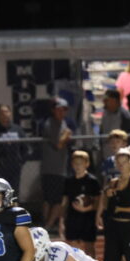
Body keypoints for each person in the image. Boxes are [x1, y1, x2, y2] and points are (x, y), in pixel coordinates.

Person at [40, 98, 75, 233]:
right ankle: (46, 225)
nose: (61, 112)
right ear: (53, 110)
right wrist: (66, 134)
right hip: (50, 168)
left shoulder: (65, 123)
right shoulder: (50, 124)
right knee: (48, 199)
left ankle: (48, 225)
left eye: (64, 110)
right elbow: (59, 144)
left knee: (57, 200)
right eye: (59, 110)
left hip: (61, 168)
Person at [59, 150, 100, 258]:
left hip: (88, 218)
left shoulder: (92, 181)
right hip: (73, 216)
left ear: (87, 164)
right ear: (72, 164)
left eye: (81, 163)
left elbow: (98, 202)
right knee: (72, 246)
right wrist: (61, 221)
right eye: (75, 163)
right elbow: (65, 201)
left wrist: (87, 209)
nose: (78, 166)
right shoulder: (69, 181)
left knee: (89, 246)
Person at [0, 104, 27, 197]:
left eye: (6, 112)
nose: (4, 114)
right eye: (1, 112)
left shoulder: (17, 129)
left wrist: (20, 162)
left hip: (14, 169)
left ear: (10, 113)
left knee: (13, 195)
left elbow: (25, 148)